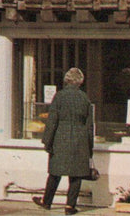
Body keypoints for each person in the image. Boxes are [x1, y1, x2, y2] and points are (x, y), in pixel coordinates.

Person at [34, 67, 94, 215]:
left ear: (67, 80)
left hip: (60, 138)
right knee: (76, 175)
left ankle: (46, 202)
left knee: (55, 173)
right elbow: (89, 126)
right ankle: (70, 206)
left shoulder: (59, 96)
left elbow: (52, 121)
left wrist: (47, 142)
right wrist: (90, 147)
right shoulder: (85, 98)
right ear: (80, 82)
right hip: (80, 140)